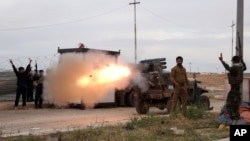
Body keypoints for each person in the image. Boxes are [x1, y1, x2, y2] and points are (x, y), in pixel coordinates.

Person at [219, 53, 246, 124]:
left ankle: (234, 119)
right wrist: (242, 61)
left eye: (232, 61)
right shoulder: (241, 67)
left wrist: (222, 61)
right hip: (237, 89)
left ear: (234, 61)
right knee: (236, 105)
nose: (232, 63)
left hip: (234, 90)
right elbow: (245, 67)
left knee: (230, 104)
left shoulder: (235, 68)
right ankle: (236, 119)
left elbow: (228, 68)